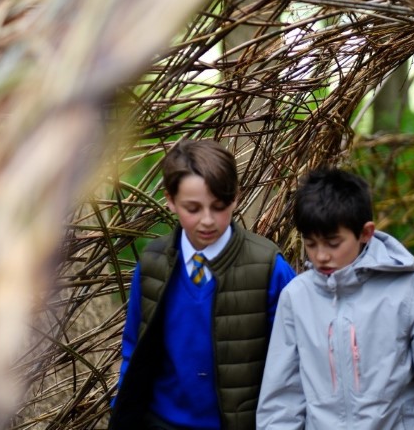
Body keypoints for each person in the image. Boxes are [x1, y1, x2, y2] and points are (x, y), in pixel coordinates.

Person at [256, 167, 414, 429]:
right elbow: (281, 400)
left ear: (365, 232)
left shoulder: (410, 289)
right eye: (311, 243)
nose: (321, 255)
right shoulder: (296, 297)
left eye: (333, 243)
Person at [109, 139, 296, 430]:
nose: (207, 220)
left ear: (235, 197)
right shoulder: (153, 264)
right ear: (170, 200)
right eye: (193, 208)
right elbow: (134, 349)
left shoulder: (270, 269)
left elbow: (293, 364)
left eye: (218, 207)